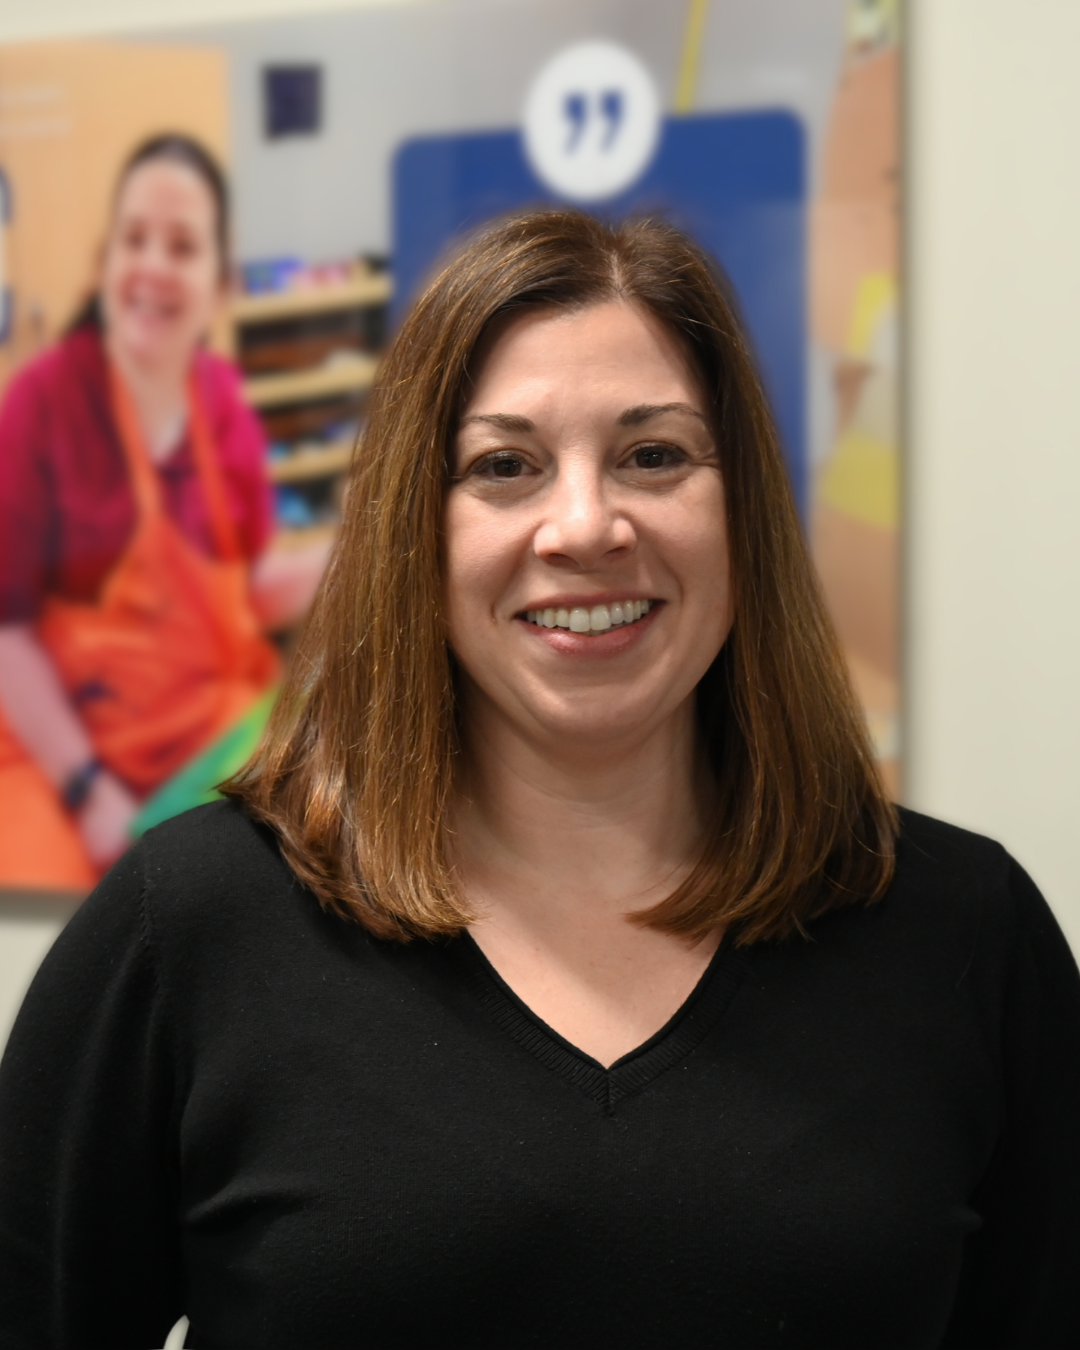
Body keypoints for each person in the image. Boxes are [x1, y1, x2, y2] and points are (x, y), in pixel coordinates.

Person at [0, 210, 1077, 1350]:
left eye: (654, 454)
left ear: (742, 511)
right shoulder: (194, 930)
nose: (584, 525)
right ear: (419, 525)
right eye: (504, 466)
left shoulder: (963, 934)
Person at [0, 134, 325, 891]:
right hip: (61, 762)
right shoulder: (43, 405)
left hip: (205, 742)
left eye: (181, 246)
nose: (151, 264)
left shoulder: (222, 403)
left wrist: (362, 549)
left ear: (218, 285)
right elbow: (6, 629)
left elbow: (247, 586)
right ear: (104, 262)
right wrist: (87, 790)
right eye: (134, 238)